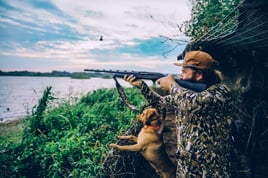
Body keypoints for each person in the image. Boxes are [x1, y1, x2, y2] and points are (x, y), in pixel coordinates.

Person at [124, 50, 234, 177]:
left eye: (184, 72)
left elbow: (194, 102)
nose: (180, 76)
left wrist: (172, 85)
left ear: (199, 75)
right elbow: (161, 103)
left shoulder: (220, 93)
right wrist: (141, 86)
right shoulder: (185, 93)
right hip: (187, 165)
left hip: (210, 167)